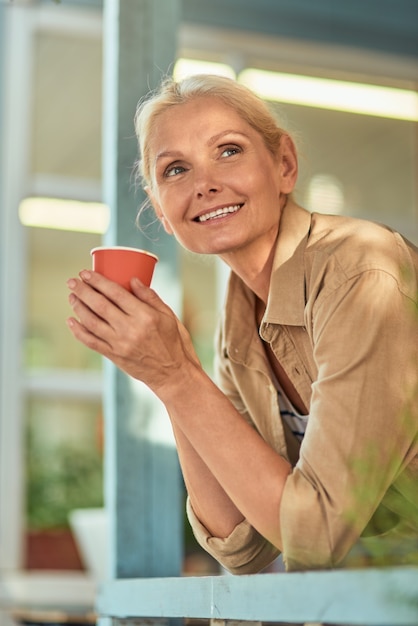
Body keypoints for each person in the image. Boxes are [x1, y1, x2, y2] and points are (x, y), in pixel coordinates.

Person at [67, 74, 418, 572]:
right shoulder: (239, 320)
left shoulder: (361, 271)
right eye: (175, 170)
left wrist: (177, 375)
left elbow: (314, 536)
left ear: (284, 166)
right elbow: (243, 545)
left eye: (228, 151)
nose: (204, 184)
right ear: (162, 213)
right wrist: (169, 375)